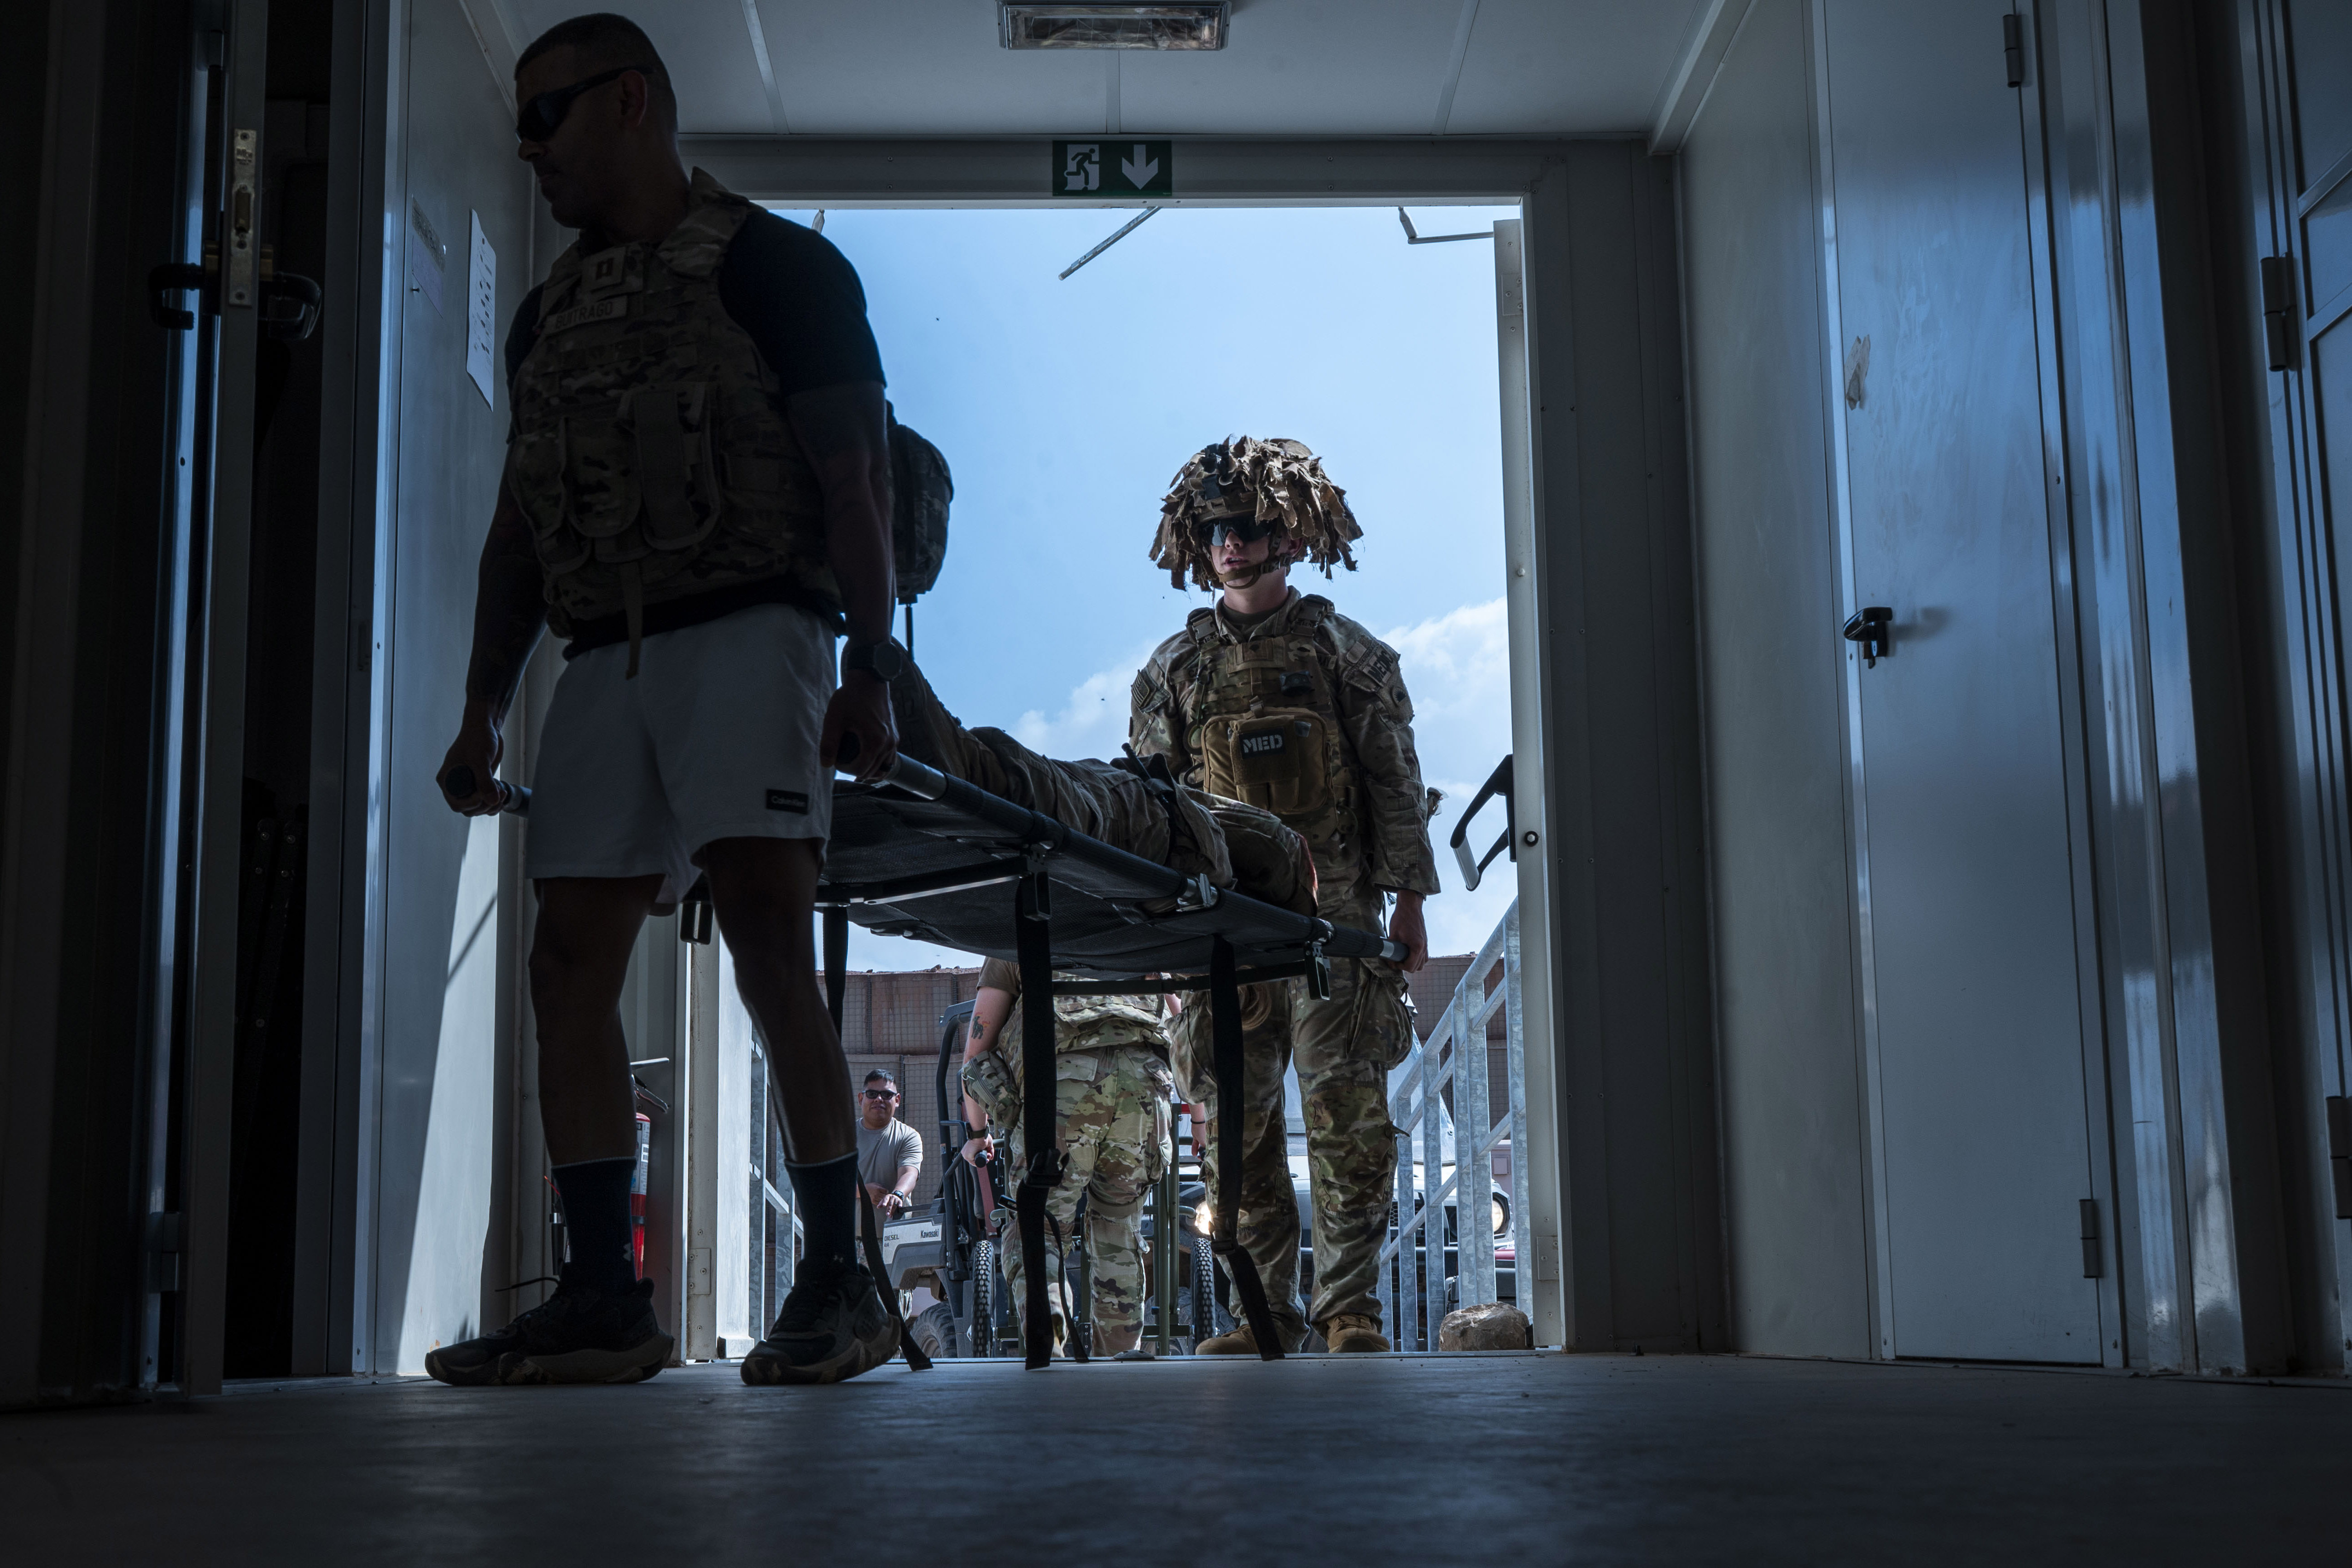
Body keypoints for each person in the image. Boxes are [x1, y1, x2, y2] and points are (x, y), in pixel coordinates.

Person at [424, 12, 905, 1388]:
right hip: (602, 655)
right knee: (565, 964)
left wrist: (870, 666)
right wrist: (482, 705)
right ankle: (602, 1297)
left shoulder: (778, 267)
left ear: (630, 102)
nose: (528, 148)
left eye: (546, 115)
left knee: (765, 935)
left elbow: (855, 478)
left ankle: (839, 1279)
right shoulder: (547, 316)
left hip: (753, 629)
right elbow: (521, 529)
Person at [1130, 437, 1438, 1356]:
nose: (1230, 545)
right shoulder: (1173, 669)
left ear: (1289, 538)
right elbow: (1150, 805)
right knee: (1233, 1129)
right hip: (1218, 929)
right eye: (1215, 531)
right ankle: (1261, 1313)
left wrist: (1409, 902)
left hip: (1333, 922)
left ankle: (1350, 1313)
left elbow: (1392, 779)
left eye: (1248, 527)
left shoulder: (1346, 652)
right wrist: (1159, 931)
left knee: (1349, 1124)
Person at [886, 659, 1319, 916]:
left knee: (1074, 802)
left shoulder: (1278, 859)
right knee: (1074, 800)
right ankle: (960, 758)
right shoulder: (1276, 858)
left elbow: (1268, 858)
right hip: (1158, 825)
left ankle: (961, 758)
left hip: (1159, 832)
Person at [957, 960, 1174, 1358]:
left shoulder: (1015, 937)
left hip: (1062, 1085)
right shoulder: (1138, 925)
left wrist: (977, 1134)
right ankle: (1121, 1363)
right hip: (1145, 1088)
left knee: (1038, 1227)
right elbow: (1180, 1024)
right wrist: (1200, 1120)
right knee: (1118, 1230)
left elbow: (975, 1051)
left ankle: (1052, 1346)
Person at [856, 1070, 924, 1220]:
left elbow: (909, 1173)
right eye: (872, 1094)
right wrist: (862, 1191)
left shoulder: (908, 1136)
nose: (879, 1099)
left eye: (887, 1095)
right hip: (848, 1233)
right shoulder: (844, 1137)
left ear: (897, 1100)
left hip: (895, 1233)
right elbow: (829, 1184)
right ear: (861, 1099)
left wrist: (897, 1194)